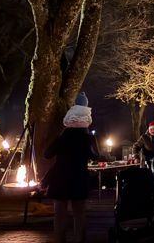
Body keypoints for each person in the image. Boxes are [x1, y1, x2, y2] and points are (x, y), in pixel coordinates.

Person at [43, 100, 99, 243]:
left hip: (60, 179)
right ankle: (79, 240)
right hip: (79, 178)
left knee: (59, 214)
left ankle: (59, 240)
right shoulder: (88, 139)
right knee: (79, 214)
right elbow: (96, 156)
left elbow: (47, 154)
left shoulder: (62, 138)